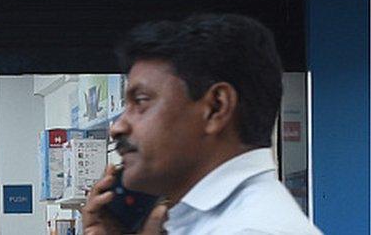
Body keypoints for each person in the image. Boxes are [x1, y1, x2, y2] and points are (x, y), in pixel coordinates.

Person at [82, 13, 322, 234]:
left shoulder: (248, 229)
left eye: (142, 101)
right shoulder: (214, 222)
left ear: (216, 107)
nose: (118, 127)